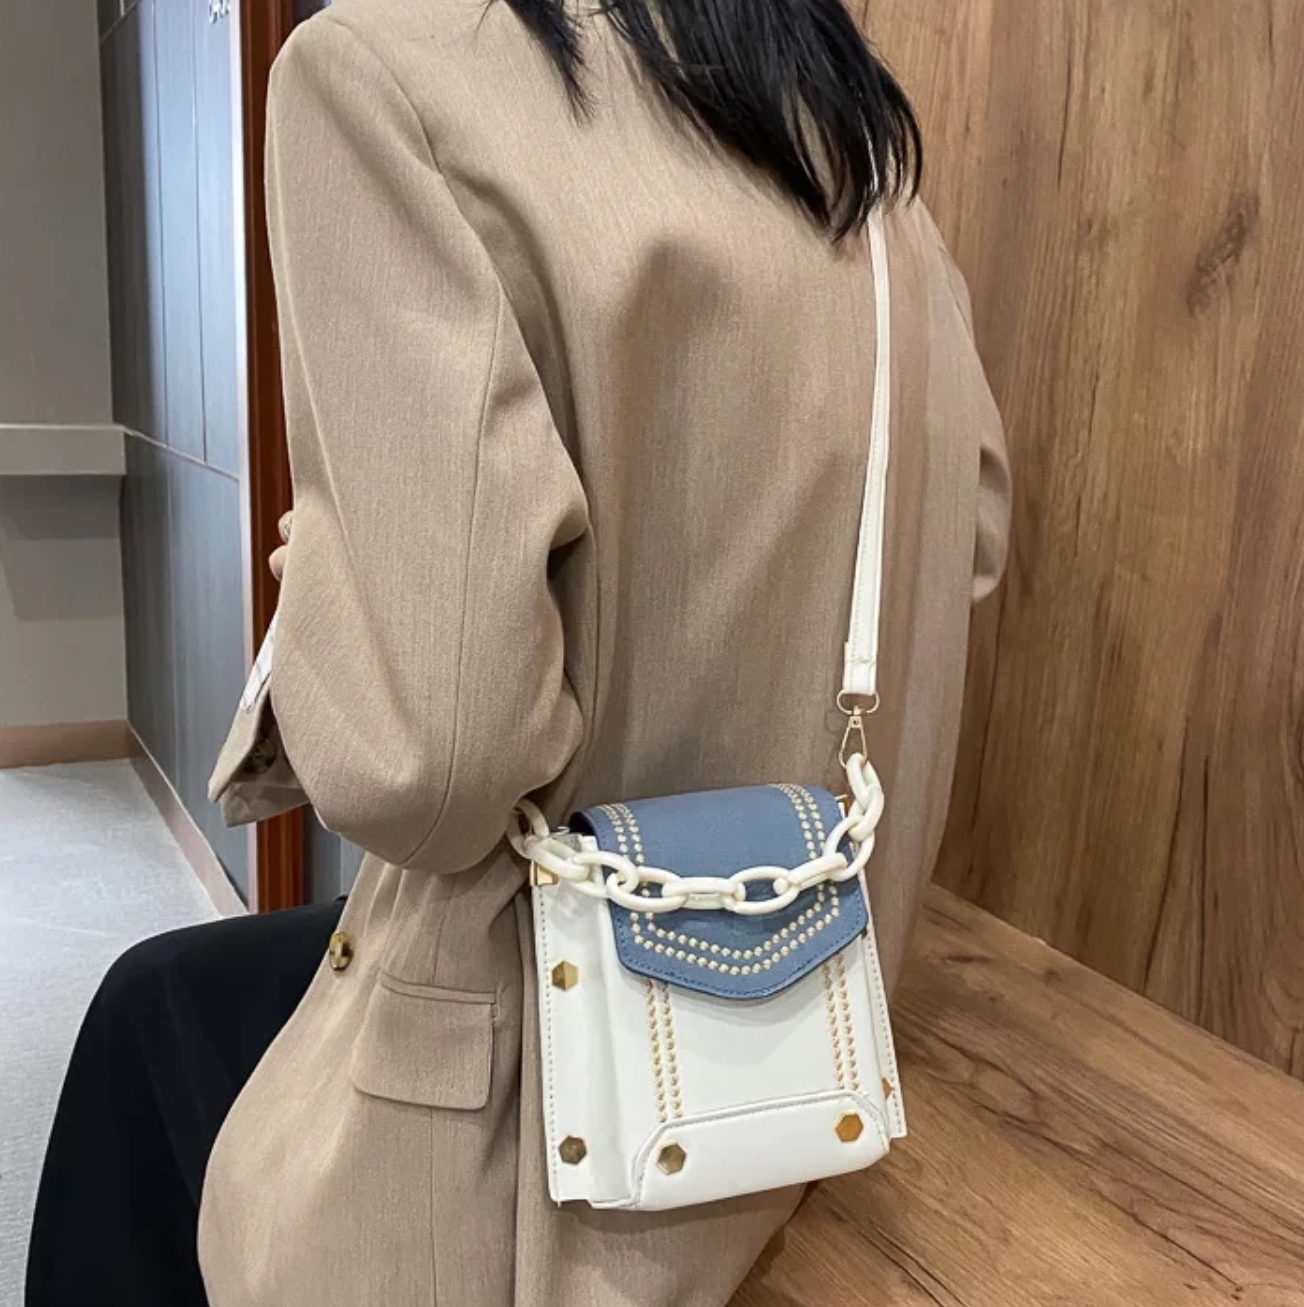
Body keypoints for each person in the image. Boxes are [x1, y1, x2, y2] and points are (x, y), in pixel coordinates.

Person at [27, 0, 1011, 1300]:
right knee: (153, 1001)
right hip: (805, 1017)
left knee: (158, 1074)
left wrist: (329, 558)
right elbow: (975, 536)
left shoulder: (386, 79)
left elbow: (425, 769)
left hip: (528, 1129)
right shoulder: (868, 177)